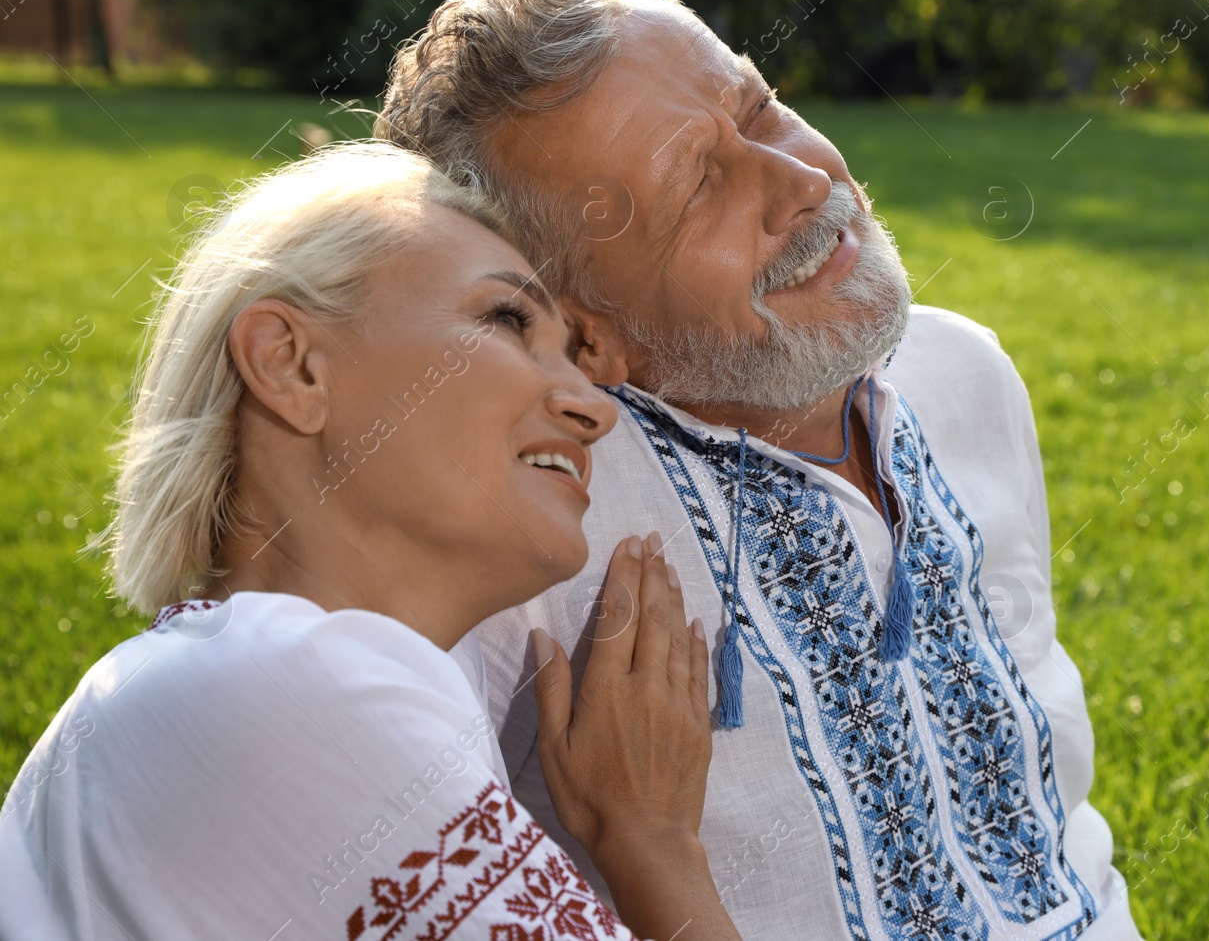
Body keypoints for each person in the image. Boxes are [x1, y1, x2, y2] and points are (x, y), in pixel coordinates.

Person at [378, 0, 1143, 939]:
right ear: (585, 332)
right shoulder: (527, 515)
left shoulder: (966, 378)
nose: (798, 179)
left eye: (760, 105)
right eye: (698, 185)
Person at [0, 142, 742, 941]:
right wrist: (656, 849)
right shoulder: (295, 688)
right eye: (505, 319)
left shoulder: (215, 676)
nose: (594, 409)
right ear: (291, 365)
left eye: (571, 355)